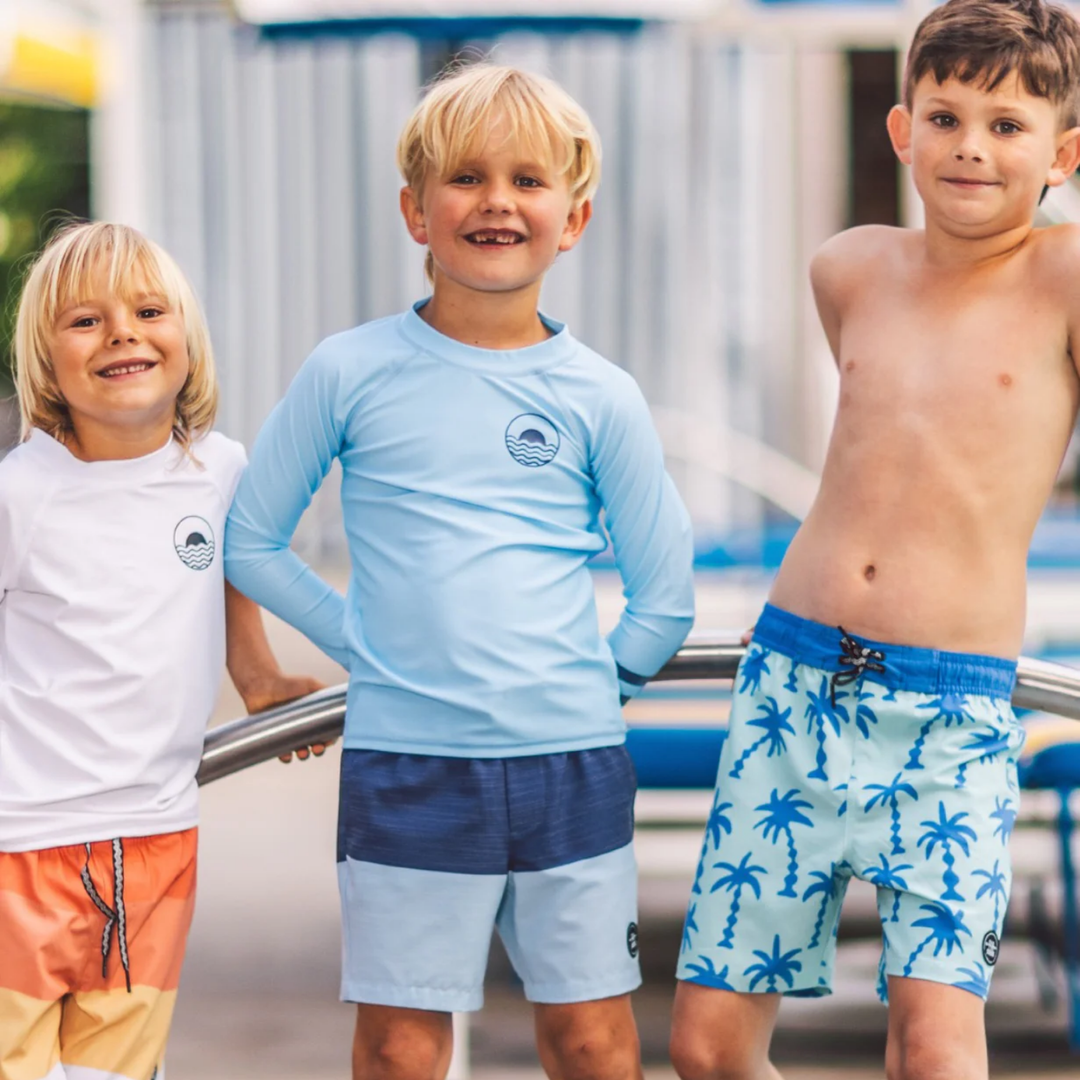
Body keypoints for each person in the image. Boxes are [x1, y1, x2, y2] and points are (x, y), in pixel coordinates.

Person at [225, 62, 695, 1080]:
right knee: (400, 1048)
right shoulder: (348, 370)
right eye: (467, 178)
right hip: (408, 768)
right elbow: (251, 540)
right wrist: (367, 645)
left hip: (573, 766)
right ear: (415, 212)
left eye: (528, 181)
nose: (496, 202)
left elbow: (665, 598)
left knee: (595, 1044)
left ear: (571, 220)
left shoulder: (602, 397)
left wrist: (590, 686)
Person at [670, 1, 1080, 1077]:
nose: (972, 148)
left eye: (1007, 125)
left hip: (951, 708)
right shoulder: (849, 269)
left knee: (936, 1047)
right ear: (901, 129)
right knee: (708, 1047)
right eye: (945, 117)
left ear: (1064, 154)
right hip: (792, 679)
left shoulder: (1063, 279)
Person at [0, 221, 323, 1080]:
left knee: (117, 1073)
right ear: (46, 358)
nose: (123, 335)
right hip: (19, 843)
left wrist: (259, 679)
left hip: (155, 837)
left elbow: (230, 584)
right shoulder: (20, 493)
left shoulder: (220, 473)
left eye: (148, 311)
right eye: (86, 321)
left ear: (187, 341)